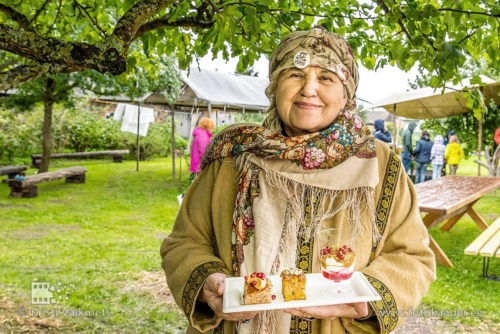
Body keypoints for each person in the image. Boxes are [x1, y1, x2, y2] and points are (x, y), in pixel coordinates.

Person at [160, 27, 435, 334]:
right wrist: (206, 283)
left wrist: (366, 298)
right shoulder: (231, 156)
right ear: (274, 87)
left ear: (346, 94)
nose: (309, 89)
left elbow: (412, 256)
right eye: (294, 74)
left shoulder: (380, 166)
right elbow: (184, 242)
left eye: (327, 78)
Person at [189, 117, 215, 182]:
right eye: (211, 127)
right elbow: (204, 152)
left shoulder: (200, 134)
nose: (212, 129)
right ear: (207, 127)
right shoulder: (203, 136)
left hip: (198, 164)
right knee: (202, 184)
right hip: (201, 165)